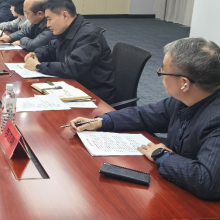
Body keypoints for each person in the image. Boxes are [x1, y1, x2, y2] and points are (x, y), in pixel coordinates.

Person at [69, 38, 220, 201]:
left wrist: (161, 155)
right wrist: (102, 121)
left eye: (163, 71)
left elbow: (205, 180)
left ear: (184, 84)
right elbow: (144, 114)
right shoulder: (183, 99)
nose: (160, 74)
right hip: (176, 188)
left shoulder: (215, 118)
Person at [24, 0, 115, 103]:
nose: (47, 25)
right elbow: (51, 48)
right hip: (76, 86)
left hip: (95, 94)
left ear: (65, 15)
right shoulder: (67, 30)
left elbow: (72, 68)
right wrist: (36, 55)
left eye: (49, 19)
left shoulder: (88, 35)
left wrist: (38, 66)